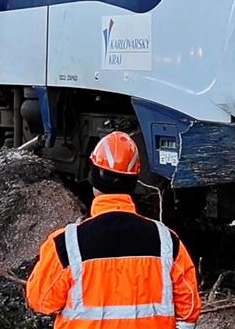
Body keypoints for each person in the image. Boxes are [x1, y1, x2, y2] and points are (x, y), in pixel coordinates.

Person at [26, 131, 201, 328]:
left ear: (93, 177)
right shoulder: (167, 241)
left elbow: (40, 301)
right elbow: (189, 309)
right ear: (134, 181)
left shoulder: (66, 245)